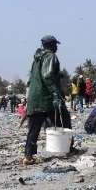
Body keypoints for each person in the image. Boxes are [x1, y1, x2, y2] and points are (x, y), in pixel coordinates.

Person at [24, 35, 65, 165]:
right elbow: (47, 76)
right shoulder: (50, 56)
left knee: (34, 129)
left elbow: (31, 79)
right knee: (63, 121)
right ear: (51, 45)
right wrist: (56, 93)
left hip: (35, 99)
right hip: (46, 99)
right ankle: (67, 147)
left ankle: (28, 156)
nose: (57, 47)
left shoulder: (37, 59)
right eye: (55, 45)